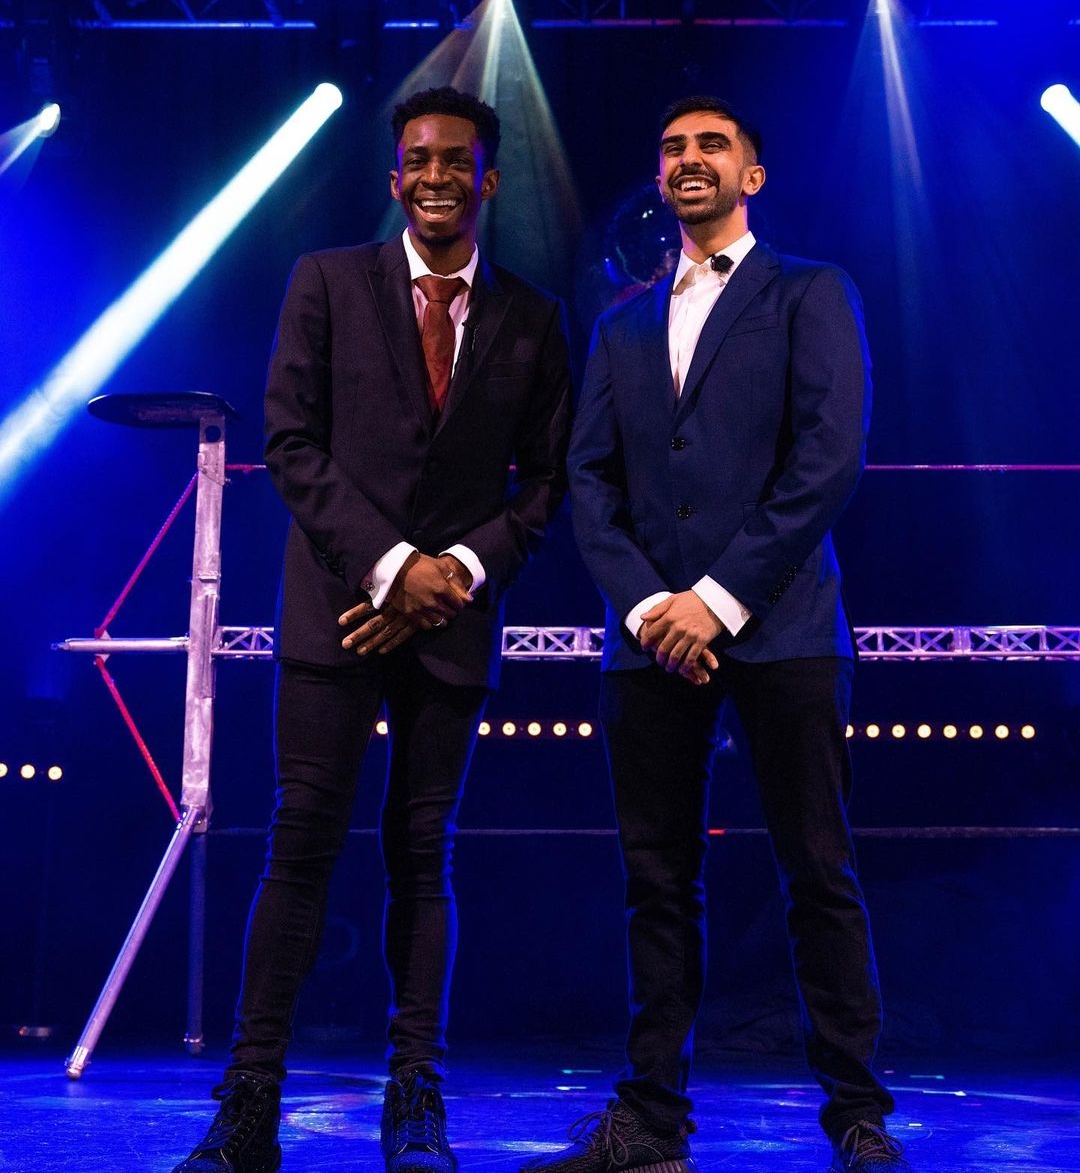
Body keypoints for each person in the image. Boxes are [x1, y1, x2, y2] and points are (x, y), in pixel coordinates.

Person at [174, 86, 572, 1173]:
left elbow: (548, 482)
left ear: (489, 180)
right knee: (300, 841)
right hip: (339, 611)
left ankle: (416, 1099)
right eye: (419, 159)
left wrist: (457, 572)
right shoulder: (327, 281)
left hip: (453, 618)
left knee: (422, 852)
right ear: (396, 179)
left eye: (457, 161)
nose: (437, 176)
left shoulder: (534, 317)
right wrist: (394, 570)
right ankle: (249, 1103)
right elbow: (291, 442)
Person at [524, 97, 906, 1173]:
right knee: (656, 883)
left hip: (784, 628)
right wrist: (654, 608)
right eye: (673, 148)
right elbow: (588, 481)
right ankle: (651, 1124)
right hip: (650, 641)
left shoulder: (811, 292)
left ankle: (858, 1119)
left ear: (752, 175)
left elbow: (830, 458)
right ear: (660, 178)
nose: (689, 159)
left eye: (711, 146)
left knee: (817, 872)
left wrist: (719, 599)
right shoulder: (622, 326)